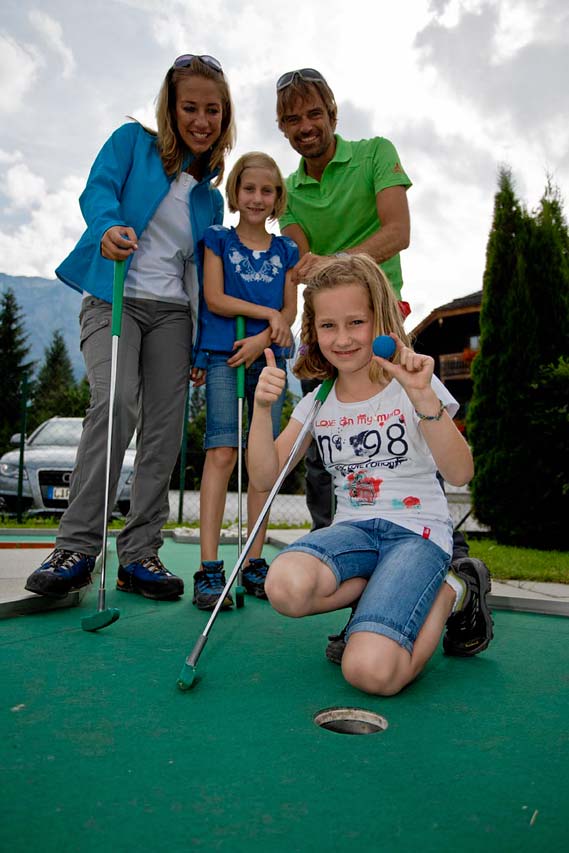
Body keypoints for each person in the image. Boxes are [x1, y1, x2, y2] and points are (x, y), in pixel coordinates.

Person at [275, 67, 486, 662]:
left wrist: (339, 270)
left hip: (379, 315)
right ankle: (369, 600)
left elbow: (398, 231)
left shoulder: (374, 155)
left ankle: (440, 572)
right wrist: (302, 314)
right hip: (328, 323)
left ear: (332, 112)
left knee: (412, 427)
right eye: (291, 119)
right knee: (331, 464)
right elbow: (299, 266)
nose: (305, 126)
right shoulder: (290, 191)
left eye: (313, 113)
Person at [25, 54, 235, 602]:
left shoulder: (210, 197)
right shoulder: (132, 143)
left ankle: (140, 555)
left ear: (224, 115)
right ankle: (75, 547)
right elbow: (98, 190)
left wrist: (199, 339)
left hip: (172, 315)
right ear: (170, 107)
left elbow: (198, 272)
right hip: (113, 296)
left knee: (164, 428)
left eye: (212, 109)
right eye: (190, 106)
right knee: (116, 403)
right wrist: (108, 226)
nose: (201, 119)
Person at [248, 255, 493, 696]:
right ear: (313, 330)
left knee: (370, 672)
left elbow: (459, 471)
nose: (342, 339)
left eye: (356, 322)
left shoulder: (414, 381)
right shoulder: (318, 401)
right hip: (354, 533)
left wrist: (422, 398)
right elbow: (264, 478)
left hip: (416, 534)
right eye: (328, 326)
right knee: (284, 585)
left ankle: (451, 589)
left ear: (379, 320)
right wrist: (262, 410)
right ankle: (382, 596)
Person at [192, 152, 298, 610]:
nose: (257, 198)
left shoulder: (286, 250)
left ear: (277, 199)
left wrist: (266, 333)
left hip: (268, 361)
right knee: (221, 452)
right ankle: (210, 567)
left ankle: (254, 560)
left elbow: (290, 311)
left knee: (262, 462)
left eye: (267, 190)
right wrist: (266, 316)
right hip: (224, 356)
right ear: (235, 193)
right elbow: (215, 298)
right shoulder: (217, 240)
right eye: (249, 189)